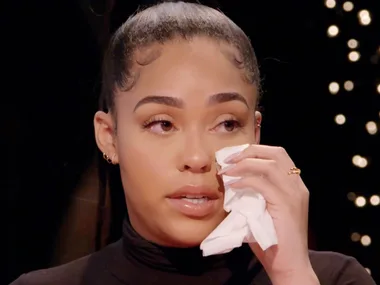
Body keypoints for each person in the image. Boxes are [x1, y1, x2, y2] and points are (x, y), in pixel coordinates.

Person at [10, 2, 377, 285]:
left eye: (227, 123)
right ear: (110, 136)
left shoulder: (334, 278)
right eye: (163, 124)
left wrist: (292, 273)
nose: (198, 158)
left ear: (256, 134)